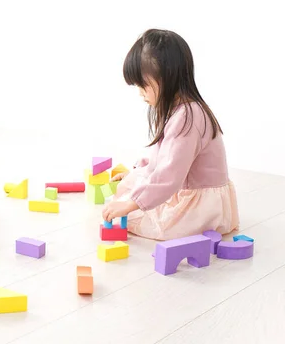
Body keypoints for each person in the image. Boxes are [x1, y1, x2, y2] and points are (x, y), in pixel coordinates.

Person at [102, 29, 239, 240]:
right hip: (187, 188)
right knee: (129, 185)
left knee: (131, 214)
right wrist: (137, 172)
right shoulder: (183, 110)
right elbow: (164, 155)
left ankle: (137, 204)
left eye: (143, 85)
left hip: (198, 207)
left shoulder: (188, 116)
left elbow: (169, 175)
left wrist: (130, 205)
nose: (140, 93)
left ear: (165, 78)